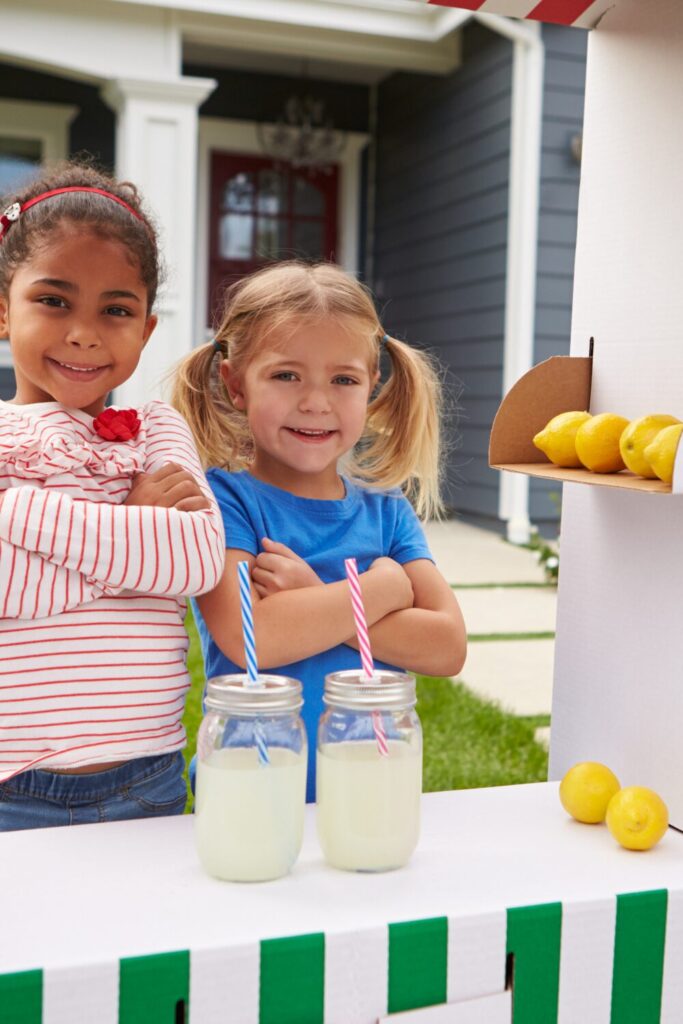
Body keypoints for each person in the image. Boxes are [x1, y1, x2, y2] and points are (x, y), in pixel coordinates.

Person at [173, 261, 466, 802]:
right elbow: (251, 636)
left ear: (371, 386)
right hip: (250, 791)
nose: (315, 401)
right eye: (286, 375)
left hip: (369, 788)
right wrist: (380, 590)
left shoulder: (387, 511)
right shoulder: (223, 501)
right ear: (236, 385)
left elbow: (447, 647)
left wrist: (313, 595)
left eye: (344, 380)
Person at [0, 163, 225, 830]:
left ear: (146, 330)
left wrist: (15, 511)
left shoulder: (158, 428)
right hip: (11, 783)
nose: (84, 332)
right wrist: (132, 528)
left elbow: (195, 560)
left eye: (116, 310)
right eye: (53, 300)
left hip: (146, 778)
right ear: (3, 309)